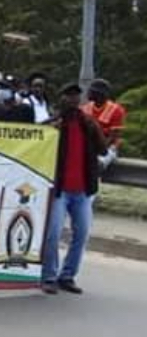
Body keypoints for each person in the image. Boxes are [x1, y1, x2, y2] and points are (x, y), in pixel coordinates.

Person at [42, 83, 105, 295]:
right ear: (62, 99)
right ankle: (49, 276)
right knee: (53, 234)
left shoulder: (88, 123)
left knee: (82, 233)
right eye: (68, 96)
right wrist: (53, 130)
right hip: (59, 189)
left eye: (76, 97)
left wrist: (95, 129)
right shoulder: (53, 124)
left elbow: (102, 148)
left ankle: (67, 275)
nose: (72, 100)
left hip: (82, 190)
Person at [83, 79, 126, 168]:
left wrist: (99, 149)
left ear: (100, 94)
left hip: (108, 147)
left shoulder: (116, 110)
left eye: (92, 91)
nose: (88, 93)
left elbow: (113, 136)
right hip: (88, 145)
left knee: (98, 163)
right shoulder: (85, 108)